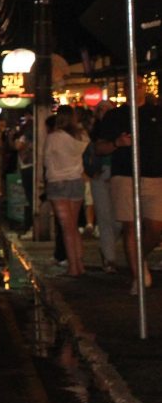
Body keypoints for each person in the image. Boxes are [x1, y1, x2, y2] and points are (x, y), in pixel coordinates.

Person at [94, 78, 162, 294]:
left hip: (153, 176)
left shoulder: (156, 112)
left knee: (156, 227)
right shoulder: (115, 116)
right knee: (130, 226)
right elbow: (99, 148)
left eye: (139, 85)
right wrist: (117, 143)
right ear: (125, 89)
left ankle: (138, 257)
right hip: (124, 175)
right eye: (131, 85)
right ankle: (137, 276)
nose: (136, 89)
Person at [41, 105, 89, 277]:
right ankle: (80, 263)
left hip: (58, 182)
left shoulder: (54, 137)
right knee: (73, 226)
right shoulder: (81, 137)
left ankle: (73, 267)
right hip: (76, 181)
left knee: (66, 227)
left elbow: (47, 160)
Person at [87, 100, 121, 272]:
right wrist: (92, 171)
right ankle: (109, 258)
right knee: (104, 216)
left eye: (108, 109)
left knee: (119, 219)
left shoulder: (120, 129)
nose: (105, 113)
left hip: (118, 174)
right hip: (100, 175)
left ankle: (108, 249)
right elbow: (87, 155)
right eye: (101, 110)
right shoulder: (94, 132)